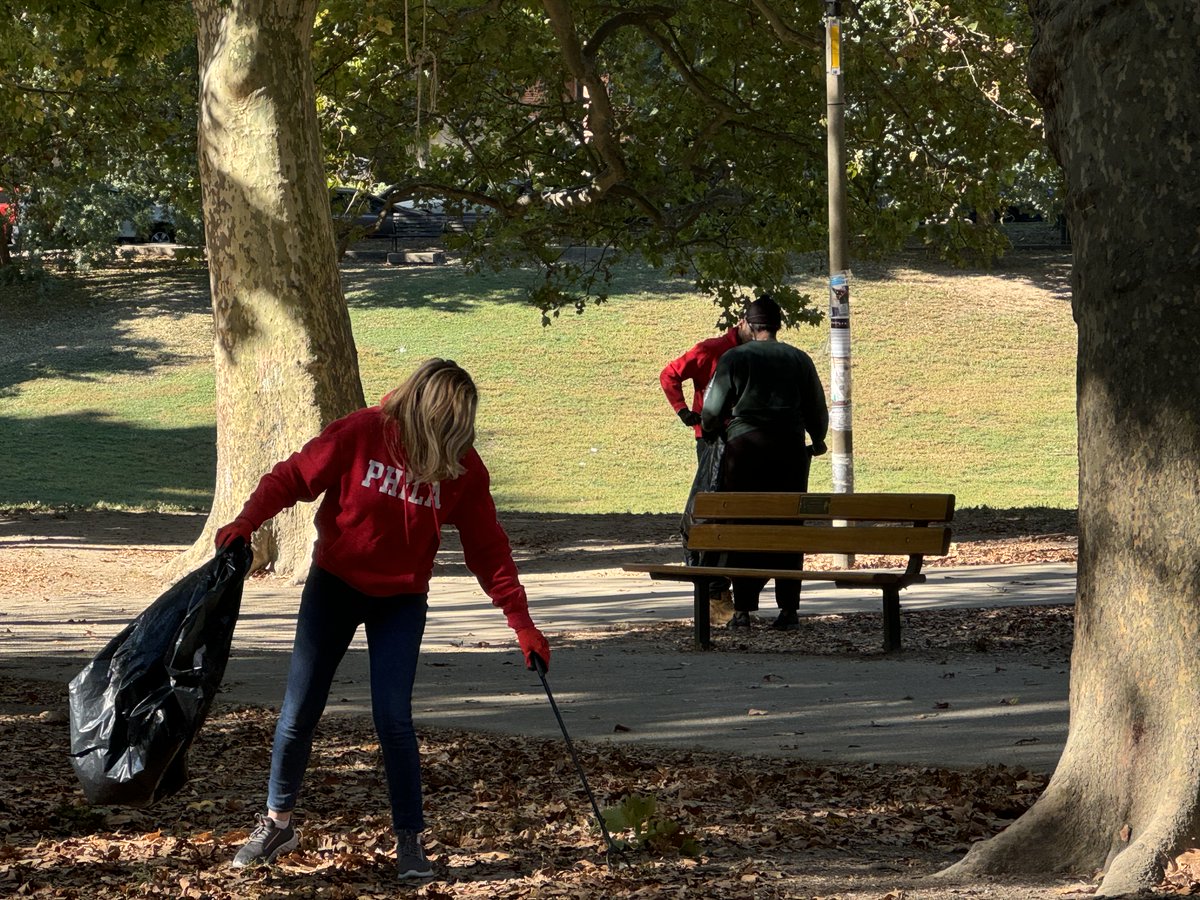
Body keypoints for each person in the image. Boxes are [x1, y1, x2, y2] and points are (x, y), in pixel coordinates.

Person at [213, 358, 550, 881]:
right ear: (425, 411)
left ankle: (410, 841)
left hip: (401, 601)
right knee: (300, 709)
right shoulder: (361, 432)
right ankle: (278, 822)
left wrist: (521, 622)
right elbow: (293, 477)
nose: (454, 441)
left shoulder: (462, 465)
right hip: (335, 586)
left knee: (393, 717)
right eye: (448, 427)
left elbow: (488, 549)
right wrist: (247, 521)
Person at [700, 295, 829, 631]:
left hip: (745, 452)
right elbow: (817, 407)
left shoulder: (734, 358)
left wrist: (712, 431)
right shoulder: (799, 359)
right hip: (788, 451)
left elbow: (712, 410)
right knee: (789, 526)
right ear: (777, 325)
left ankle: (742, 611)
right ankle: (788, 610)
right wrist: (816, 439)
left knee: (744, 527)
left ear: (750, 325)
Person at [660, 319, 749, 598]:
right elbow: (669, 374)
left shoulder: (755, 353)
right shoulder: (711, 350)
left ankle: (720, 586)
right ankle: (715, 588)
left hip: (743, 440)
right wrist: (683, 410)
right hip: (712, 441)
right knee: (713, 509)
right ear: (743, 322)